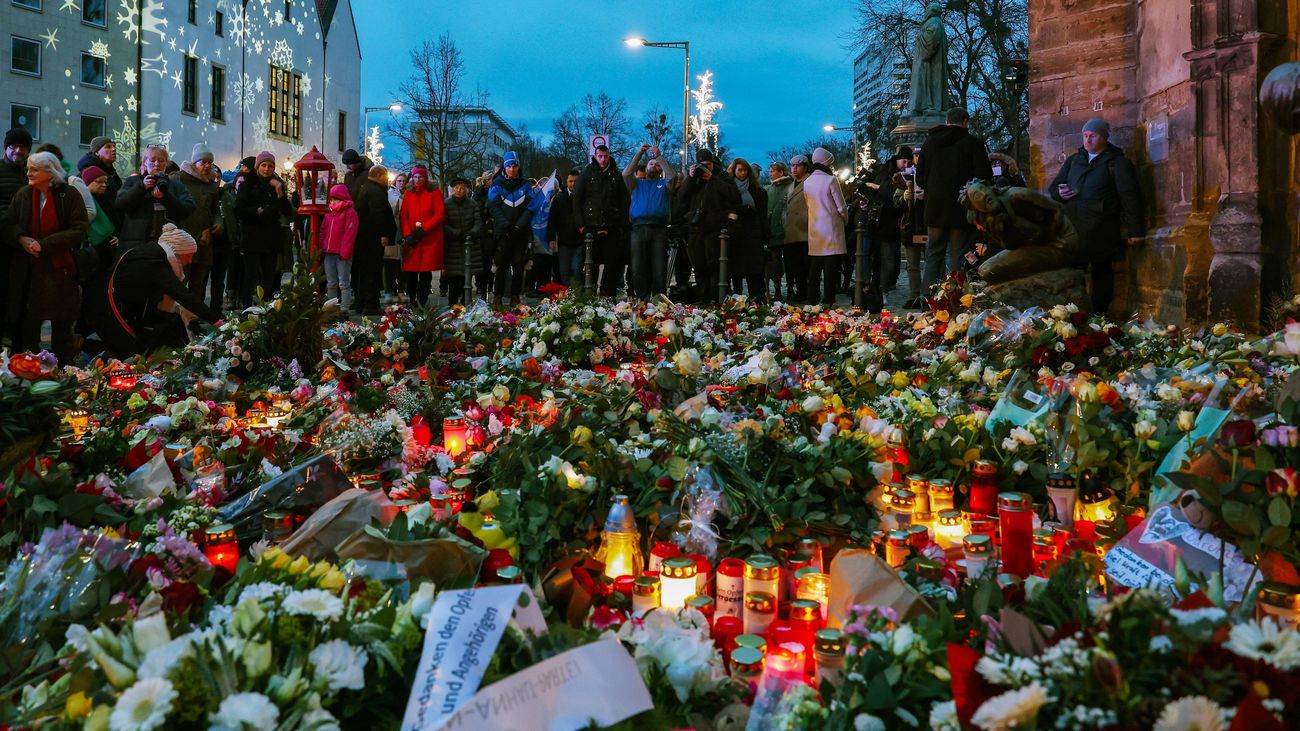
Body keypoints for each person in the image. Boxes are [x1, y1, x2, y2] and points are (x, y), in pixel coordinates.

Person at [1049, 117, 1145, 313]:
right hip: (1074, 229)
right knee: (1072, 275)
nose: (1088, 140)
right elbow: (1053, 188)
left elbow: (1130, 197)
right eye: (1085, 136)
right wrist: (1060, 193)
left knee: (1102, 274)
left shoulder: (1116, 162)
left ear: (1103, 137)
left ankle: (1099, 317)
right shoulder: (1073, 161)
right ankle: (1072, 317)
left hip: (1102, 230)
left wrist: (1136, 230)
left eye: (1092, 135)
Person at [3, 151, 88, 364]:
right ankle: (27, 370)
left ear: (50, 172)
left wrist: (44, 244)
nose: (28, 172)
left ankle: (62, 371)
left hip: (60, 270)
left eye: (34, 169)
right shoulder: (23, 194)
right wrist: (22, 239)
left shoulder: (68, 194)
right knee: (28, 328)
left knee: (61, 329)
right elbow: (7, 223)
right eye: (29, 168)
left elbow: (78, 228)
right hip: (28, 271)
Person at [90, 223, 221, 357]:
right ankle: (87, 349)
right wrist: (217, 321)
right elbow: (181, 294)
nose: (190, 260)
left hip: (112, 307)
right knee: (130, 358)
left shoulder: (152, 253)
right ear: (177, 251)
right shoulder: (154, 263)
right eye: (188, 255)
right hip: (109, 313)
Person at [917, 107, 992, 293]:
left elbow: (920, 178)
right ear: (965, 121)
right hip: (961, 208)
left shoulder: (929, 143)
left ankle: (928, 299)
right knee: (958, 256)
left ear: (947, 120)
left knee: (933, 256)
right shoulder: (973, 143)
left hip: (934, 210)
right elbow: (984, 176)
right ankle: (955, 299)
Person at [678, 148, 742, 303]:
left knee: (714, 265)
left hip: (714, 227)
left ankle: (716, 298)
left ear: (713, 163)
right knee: (698, 265)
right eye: (702, 165)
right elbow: (681, 198)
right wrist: (690, 178)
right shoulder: (695, 178)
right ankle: (703, 297)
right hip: (695, 227)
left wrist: (713, 179)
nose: (705, 168)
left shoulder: (722, 176)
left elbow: (733, 195)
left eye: (708, 164)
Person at [233, 151, 292, 306]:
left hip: (271, 237)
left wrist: (280, 193)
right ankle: (247, 309)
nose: (267, 169)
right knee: (251, 276)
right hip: (252, 237)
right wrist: (256, 211)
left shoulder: (277, 185)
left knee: (269, 276)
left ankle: (264, 308)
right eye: (264, 165)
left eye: (270, 166)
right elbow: (238, 210)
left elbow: (287, 211)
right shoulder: (247, 184)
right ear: (258, 166)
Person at [573, 145, 631, 297]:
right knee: (591, 265)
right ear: (595, 156)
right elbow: (577, 200)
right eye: (600, 156)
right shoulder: (586, 173)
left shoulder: (616, 175)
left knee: (612, 266)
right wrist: (580, 226)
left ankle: (607, 298)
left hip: (612, 227)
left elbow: (624, 201)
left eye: (605, 156)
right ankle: (589, 298)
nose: (603, 159)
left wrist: (622, 226)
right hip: (590, 228)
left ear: (609, 156)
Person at [169, 143, 223, 303]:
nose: (207, 166)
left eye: (209, 162)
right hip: (182, 238)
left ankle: (194, 317)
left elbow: (214, 211)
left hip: (204, 239)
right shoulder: (179, 179)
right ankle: (176, 316)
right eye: (203, 162)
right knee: (180, 279)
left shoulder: (211, 186)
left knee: (198, 282)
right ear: (194, 163)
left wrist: (218, 223)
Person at [115, 145, 197, 249]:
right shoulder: (133, 182)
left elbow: (188, 209)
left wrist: (165, 197)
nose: (157, 164)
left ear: (166, 163)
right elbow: (120, 205)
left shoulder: (175, 185)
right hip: (136, 244)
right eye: (152, 160)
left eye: (161, 160)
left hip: (168, 244)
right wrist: (141, 187)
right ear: (145, 162)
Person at [624, 144, 676, 298]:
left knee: (659, 268)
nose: (654, 165)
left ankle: (659, 300)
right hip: (638, 229)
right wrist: (639, 153)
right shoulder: (636, 184)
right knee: (638, 268)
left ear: (661, 170)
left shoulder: (664, 186)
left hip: (659, 230)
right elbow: (626, 173)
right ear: (645, 168)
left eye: (657, 165)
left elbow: (672, 176)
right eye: (651, 163)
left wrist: (659, 157)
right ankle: (642, 299)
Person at [486, 152, 533, 308]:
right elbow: (493, 207)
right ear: (505, 167)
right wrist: (506, 225)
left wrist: (519, 225)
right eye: (509, 166)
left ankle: (515, 297)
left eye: (515, 166)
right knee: (501, 265)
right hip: (503, 232)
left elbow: (530, 207)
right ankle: (497, 297)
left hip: (520, 232)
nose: (512, 169)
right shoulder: (497, 184)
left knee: (518, 265)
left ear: (519, 166)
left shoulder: (525, 185)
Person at [1, 129, 34, 347]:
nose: (17, 150)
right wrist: (19, 235)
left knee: (21, 299)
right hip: (5, 245)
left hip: (25, 248)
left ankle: (20, 350)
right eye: (13, 146)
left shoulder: (29, 174)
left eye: (22, 147)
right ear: (6, 147)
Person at [804, 147, 847, 305]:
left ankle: (812, 297)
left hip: (815, 228)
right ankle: (829, 298)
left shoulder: (807, 182)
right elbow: (841, 206)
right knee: (830, 267)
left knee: (815, 267)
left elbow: (808, 204)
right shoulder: (831, 180)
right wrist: (845, 219)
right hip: (831, 227)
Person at [352, 165, 396, 315]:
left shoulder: (365, 188)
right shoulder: (375, 191)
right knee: (372, 271)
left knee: (363, 271)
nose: (387, 179)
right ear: (379, 175)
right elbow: (379, 214)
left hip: (363, 237)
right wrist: (384, 233)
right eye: (385, 176)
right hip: (372, 238)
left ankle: (361, 302)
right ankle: (371, 304)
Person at [399, 166, 445, 307]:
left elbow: (439, 214)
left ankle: (422, 300)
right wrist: (408, 234)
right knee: (411, 273)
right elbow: (404, 215)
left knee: (425, 273)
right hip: (413, 238)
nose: (418, 180)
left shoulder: (434, 192)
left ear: (425, 178)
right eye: (415, 177)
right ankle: (411, 299)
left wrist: (424, 228)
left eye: (420, 177)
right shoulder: (408, 193)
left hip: (429, 239)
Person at [727, 158, 769, 302]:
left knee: (754, 269)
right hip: (736, 233)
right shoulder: (729, 188)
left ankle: (757, 296)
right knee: (736, 269)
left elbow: (762, 213)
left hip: (753, 233)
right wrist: (742, 210)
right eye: (739, 170)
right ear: (734, 171)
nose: (742, 173)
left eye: (745, 170)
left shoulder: (757, 190)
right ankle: (737, 298)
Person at [443, 177, 483, 305]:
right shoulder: (446, 204)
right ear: (452, 189)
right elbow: (443, 223)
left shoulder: (472, 204)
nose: (459, 190)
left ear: (466, 189)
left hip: (469, 244)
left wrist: (471, 233)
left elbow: (478, 223)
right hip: (452, 245)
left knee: (466, 276)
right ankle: (452, 304)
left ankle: (465, 303)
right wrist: (454, 233)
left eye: (462, 188)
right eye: (456, 188)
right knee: (453, 277)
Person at [319, 184, 358, 311]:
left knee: (344, 283)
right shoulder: (329, 213)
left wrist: (345, 251)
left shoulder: (349, 212)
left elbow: (350, 233)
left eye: (336, 199)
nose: (333, 201)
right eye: (332, 199)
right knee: (331, 283)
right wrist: (322, 246)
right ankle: (331, 309)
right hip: (329, 252)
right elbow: (323, 230)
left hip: (341, 253)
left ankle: (344, 309)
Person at [782, 154, 812, 303]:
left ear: (805, 167)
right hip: (791, 231)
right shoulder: (790, 185)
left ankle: (808, 292)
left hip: (805, 231)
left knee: (806, 266)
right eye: (792, 165)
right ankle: (800, 292)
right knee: (795, 267)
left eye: (797, 165)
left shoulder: (810, 182)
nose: (794, 168)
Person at [549, 168, 582, 288]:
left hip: (579, 241)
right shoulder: (559, 198)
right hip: (564, 242)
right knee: (564, 272)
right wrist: (552, 238)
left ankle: (577, 294)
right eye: (571, 181)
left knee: (577, 268)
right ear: (567, 182)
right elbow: (552, 219)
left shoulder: (583, 197)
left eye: (576, 182)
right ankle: (567, 297)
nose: (573, 184)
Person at [764, 161, 792, 301]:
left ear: (781, 172)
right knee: (774, 262)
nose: (770, 173)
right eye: (770, 170)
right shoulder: (769, 189)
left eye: (773, 170)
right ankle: (776, 288)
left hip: (787, 231)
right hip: (773, 231)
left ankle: (791, 287)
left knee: (789, 261)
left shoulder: (790, 186)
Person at [220, 172, 244, 309]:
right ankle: (230, 296)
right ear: (235, 183)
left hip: (244, 237)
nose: (241, 186)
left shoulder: (246, 197)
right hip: (232, 237)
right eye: (239, 183)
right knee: (232, 268)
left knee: (243, 268)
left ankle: (240, 296)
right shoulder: (228, 196)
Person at [76, 136, 123, 201]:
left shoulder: (110, 171)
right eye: (108, 147)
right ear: (97, 152)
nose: (113, 149)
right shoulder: (90, 173)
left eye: (114, 146)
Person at [385, 171, 408, 304]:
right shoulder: (390, 194)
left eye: (404, 181)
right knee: (390, 263)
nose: (401, 183)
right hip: (393, 232)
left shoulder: (408, 194)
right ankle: (389, 290)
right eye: (399, 181)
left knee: (403, 265)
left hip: (404, 232)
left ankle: (401, 290)